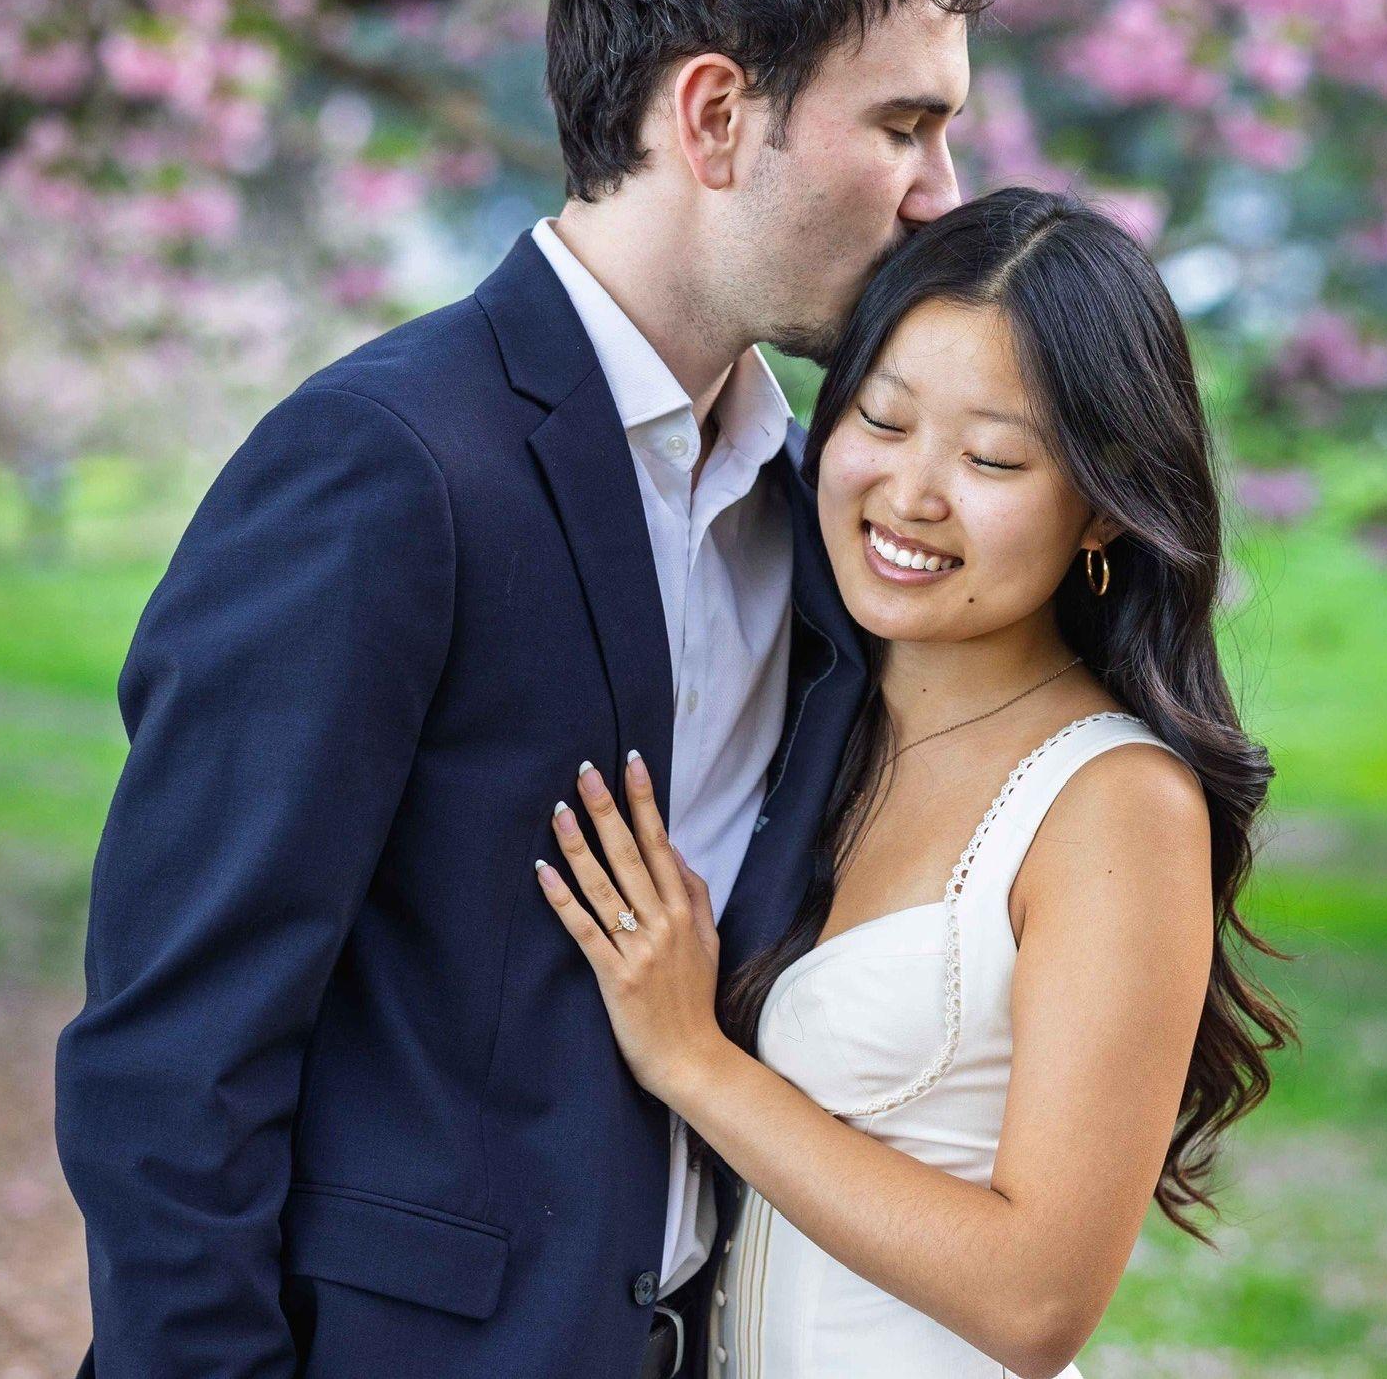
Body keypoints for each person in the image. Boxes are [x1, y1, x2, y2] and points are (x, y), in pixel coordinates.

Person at [51, 0, 986, 1376]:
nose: (942, 193)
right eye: (904, 124)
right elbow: (174, 1052)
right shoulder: (382, 464)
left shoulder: (818, 500)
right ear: (714, 115)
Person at [533, 187, 1297, 1379]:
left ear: (1099, 505)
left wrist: (692, 1056)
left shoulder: (1114, 803)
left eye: (993, 456)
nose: (912, 494)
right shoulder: (808, 721)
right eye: (882, 423)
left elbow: (1037, 1299)